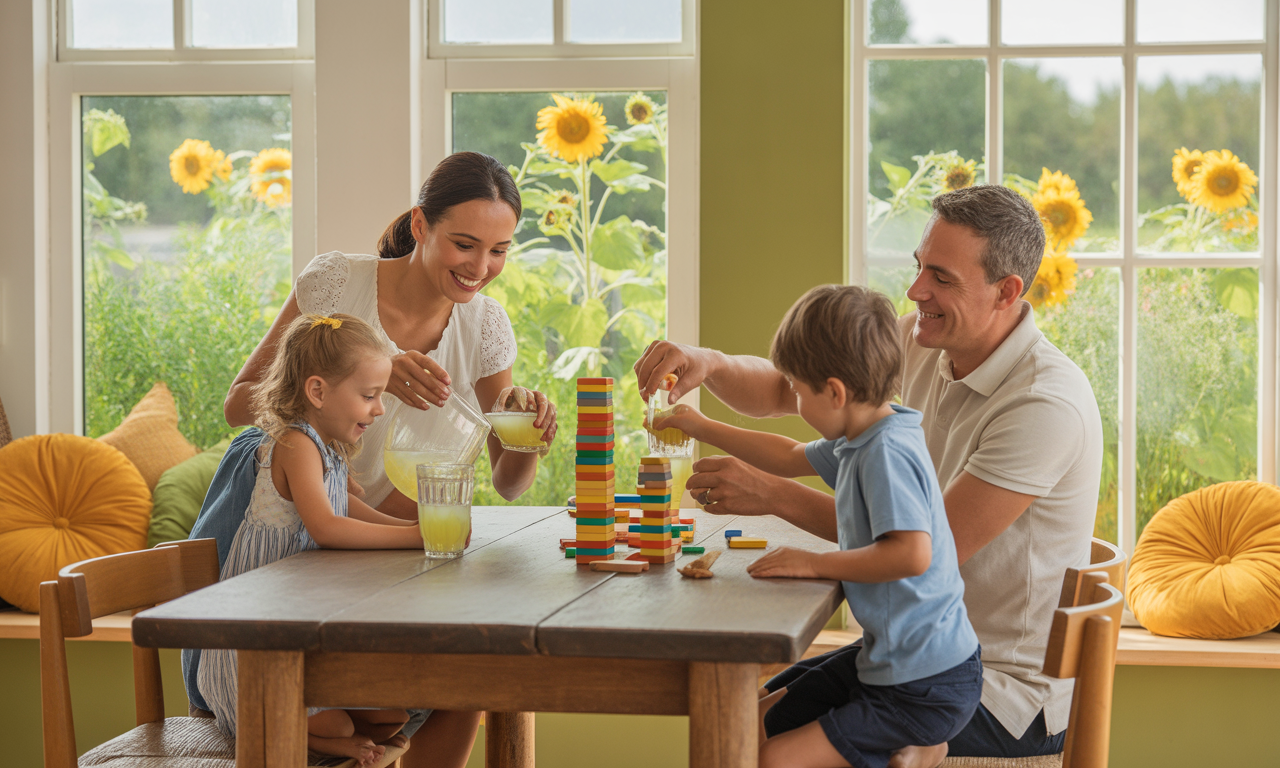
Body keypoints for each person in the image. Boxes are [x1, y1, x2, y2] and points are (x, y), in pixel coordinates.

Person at [636, 185, 1102, 765]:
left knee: (762, 747)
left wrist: (773, 497)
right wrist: (710, 363)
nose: (915, 291)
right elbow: (791, 386)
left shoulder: (1043, 403)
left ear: (1006, 291)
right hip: (900, 653)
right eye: (918, 268)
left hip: (992, 689)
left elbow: (926, 547)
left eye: (941, 277)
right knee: (738, 720)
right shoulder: (927, 340)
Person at [188, 151, 556, 768]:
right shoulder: (338, 282)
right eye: (464, 244)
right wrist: (376, 377)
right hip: (290, 552)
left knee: (470, 685)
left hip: (383, 561)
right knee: (434, 687)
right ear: (420, 226)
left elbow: (509, 482)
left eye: (499, 251)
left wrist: (528, 441)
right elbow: (240, 404)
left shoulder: (486, 324)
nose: (481, 268)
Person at [659, 285, 982, 768]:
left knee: (777, 759)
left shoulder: (886, 454)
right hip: (887, 662)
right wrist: (701, 426)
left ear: (834, 391)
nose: (791, 396)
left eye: (796, 388)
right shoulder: (865, 433)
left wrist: (814, 563)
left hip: (924, 684)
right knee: (746, 722)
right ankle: (914, 747)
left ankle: (920, 747)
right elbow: (787, 456)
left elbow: (913, 554)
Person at [197, 313, 422, 767]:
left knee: (392, 713)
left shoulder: (327, 443)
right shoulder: (295, 442)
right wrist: (411, 539)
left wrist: (412, 532)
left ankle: (324, 734)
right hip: (257, 649)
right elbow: (326, 525)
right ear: (317, 392)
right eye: (369, 395)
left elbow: (343, 506)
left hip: (297, 629)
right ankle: (317, 740)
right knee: (342, 725)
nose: (379, 409)